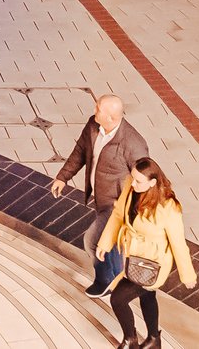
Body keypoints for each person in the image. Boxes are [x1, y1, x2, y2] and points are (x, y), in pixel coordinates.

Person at [50, 94, 147, 296]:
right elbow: (80, 152)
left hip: (116, 205)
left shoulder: (133, 143)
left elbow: (144, 180)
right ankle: (118, 281)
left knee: (93, 241)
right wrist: (63, 177)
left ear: (111, 118)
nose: (94, 111)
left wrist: (133, 212)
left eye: (98, 109)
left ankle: (106, 281)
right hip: (100, 199)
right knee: (112, 244)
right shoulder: (94, 125)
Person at [95, 157, 196, 349]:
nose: (132, 183)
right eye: (132, 178)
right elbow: (118, 216)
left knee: (118, 298)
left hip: (153, 264)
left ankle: (130, 340)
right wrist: (105, 243)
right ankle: (153, 339)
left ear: (153, 182)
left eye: (138, 181)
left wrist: (187, 275)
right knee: (148, 296)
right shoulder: (131, 187)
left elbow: (178, 243)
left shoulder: (169, 207)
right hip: (133, 256)